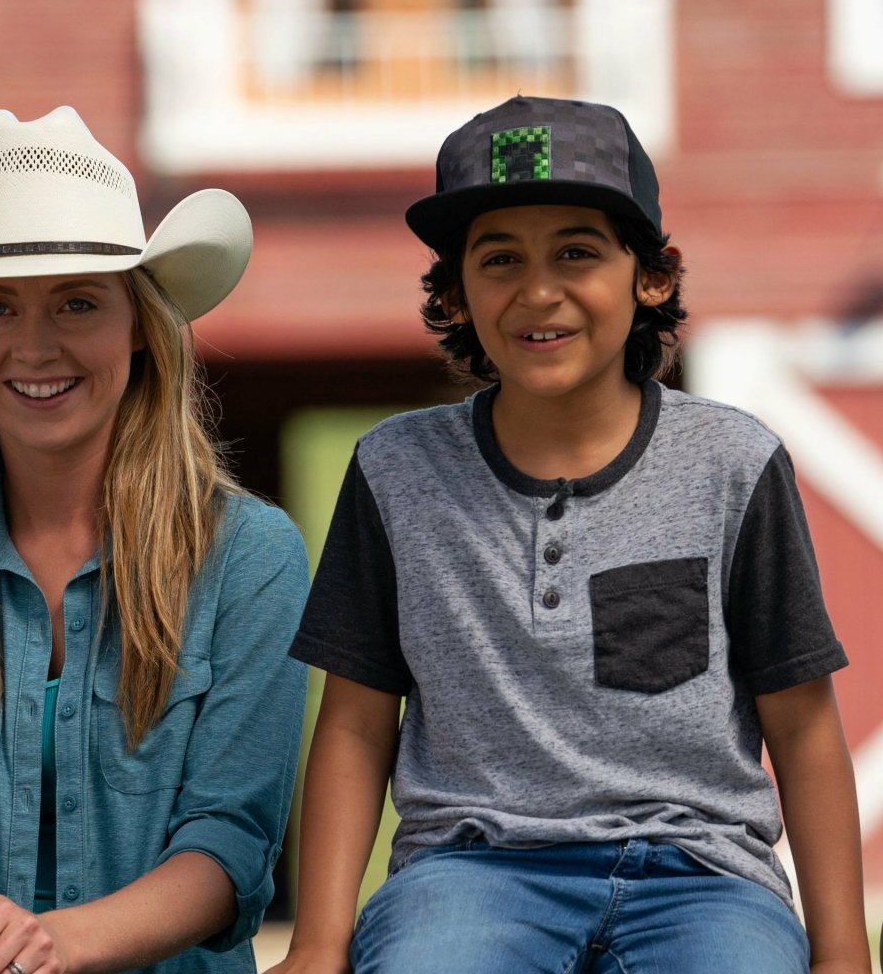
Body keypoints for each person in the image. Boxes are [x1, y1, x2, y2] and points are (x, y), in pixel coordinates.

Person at [270, 96, 870, 973]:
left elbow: (804, 725)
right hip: (468, 871)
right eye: (500, 258)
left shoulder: (733, 463)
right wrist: (319, 946)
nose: (537, 290)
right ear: (455, 292)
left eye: (577, 253)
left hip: (703, 876)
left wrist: (843, 954)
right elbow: (358, 724)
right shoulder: (395, 472)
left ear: (652, 276)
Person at [0, 106, 310, 974]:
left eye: (77, 302)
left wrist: (47, 948)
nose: (34, 347)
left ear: (140, 328)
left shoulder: (249, 558)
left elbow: (229, 843)